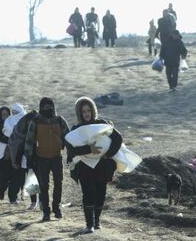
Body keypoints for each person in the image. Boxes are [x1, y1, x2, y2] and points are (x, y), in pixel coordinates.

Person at [66, 97, 122, 234]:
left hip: (102, 166)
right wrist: (88, 150)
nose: (86, 113)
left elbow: (118, 139)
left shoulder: (102, 124)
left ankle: (97, 221)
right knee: (88, 193)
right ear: (80, 113)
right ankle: (89, 224)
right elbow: (71, 148)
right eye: (83, 111)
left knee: (101, 194)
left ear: (93, 111)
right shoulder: (76, 129)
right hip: (85, 167)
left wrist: (108, 154)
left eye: (89, 110)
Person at [21, 97, 70, 221]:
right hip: (41, 158)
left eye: (50, 105)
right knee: (43, 186)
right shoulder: (36, 121)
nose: (47, 108)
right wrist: (29, 157)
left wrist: (71, 154)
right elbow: (29, 140)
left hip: (57, 157)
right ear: (41, 107)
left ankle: (57, 208)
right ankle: (46, 211)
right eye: (45, 106)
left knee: (58, 184)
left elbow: (68, 137)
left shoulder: (59, 120)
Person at [0, 106, 15, 201]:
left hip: (13, 152)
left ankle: (12, 197)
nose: (5, 117)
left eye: (6, 114)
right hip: (2, 153)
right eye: (3, 115)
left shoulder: (13, 124)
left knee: (13, 176)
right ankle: (2, 190)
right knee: (4, 176)